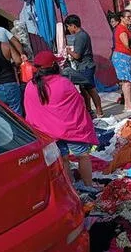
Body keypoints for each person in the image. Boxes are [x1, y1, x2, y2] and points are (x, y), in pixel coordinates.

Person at [24, 51, 98, 187]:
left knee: (63, 159)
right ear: (53, 65)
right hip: (71, 130)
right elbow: (79, 103)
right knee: (83, 155)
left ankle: (71, 187)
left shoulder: (30, 86)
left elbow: (30, 110)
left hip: (47, 132)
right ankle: (89, 184)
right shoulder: (64, 83)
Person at [64, 14, 104, 118]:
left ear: (73, 26)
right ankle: (89, 110)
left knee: (90, 89)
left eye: (68, 26)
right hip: (83, 66)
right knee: (84, 90)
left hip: (85, 66)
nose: (68, 29)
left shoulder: (80, 36)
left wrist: (68, 51)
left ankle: (99, 112)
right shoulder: (82, 35)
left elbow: (77, 55)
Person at [111, 11, 131, 112]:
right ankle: (129, 106)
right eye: (128, 17)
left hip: (125, 56)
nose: (130, 19)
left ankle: (128, 104)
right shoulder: (121, 29)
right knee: (126, 82)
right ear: (122, 18)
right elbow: (127, 44)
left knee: (127, 82)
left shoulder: (125, 28)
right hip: (122, 57)